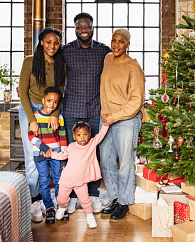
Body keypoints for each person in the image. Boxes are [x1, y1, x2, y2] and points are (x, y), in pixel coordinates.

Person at [61, 12, 111, 214]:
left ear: (93, 28)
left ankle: (92, 192)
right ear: (75, 29)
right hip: (72, 108)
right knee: (72, 153)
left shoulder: (103, 51)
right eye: (79, 27)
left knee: (94, 152)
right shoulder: (65, 51)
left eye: (87, 26)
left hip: (95, 109)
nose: (83, 30)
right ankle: (72, 195)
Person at [19, 27, 66, 223]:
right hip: (30, 109)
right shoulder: (30, 61)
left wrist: (54, 114)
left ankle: (55, 202)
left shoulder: (60, 64)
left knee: (55, 156)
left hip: (51, 109)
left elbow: (60, 91)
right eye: (48, 42)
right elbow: (22, 91)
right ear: (41, 43)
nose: (52, 46)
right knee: (32, 157)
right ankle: (35, 200)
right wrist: (32, 119)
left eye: (56, 43)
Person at [99, 28, 145, 222]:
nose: (116, 45)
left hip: (126, 120)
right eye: (113, 41)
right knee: (106, 161)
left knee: (124, 163)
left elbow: (136, 101)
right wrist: (105, 113)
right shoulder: (107, 59)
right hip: (107, 119)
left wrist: (115, 116)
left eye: (121, 41)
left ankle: (125, 202)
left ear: (128, 44)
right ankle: (116, 197)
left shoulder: (133, 67)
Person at [51, 121, 109, 228]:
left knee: (85, 200)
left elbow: (100, 135)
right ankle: (62, 208)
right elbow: (62, 156)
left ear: (89, 135)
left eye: (85, 134)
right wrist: (51, 154)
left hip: (80, 181)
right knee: (61, 199)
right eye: (79, 135)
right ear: (74, 136)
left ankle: (90, 216)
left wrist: (106, 125)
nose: (82, 137)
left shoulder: (91, 144)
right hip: (66, 179)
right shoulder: (71, 146)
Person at [28, 86, 67, 224]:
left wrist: (63, 158)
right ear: (43, 100)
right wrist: (43, 147)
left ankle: (61, 206)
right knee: (44, 181)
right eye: (49, 100)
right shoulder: (35, 117)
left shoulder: (59, 118)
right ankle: (49, 207)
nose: (52, 104)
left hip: (56, 154)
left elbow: (63, 138)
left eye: (56, 102)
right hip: (40, 154)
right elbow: (31, 136)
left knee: (59, 180)